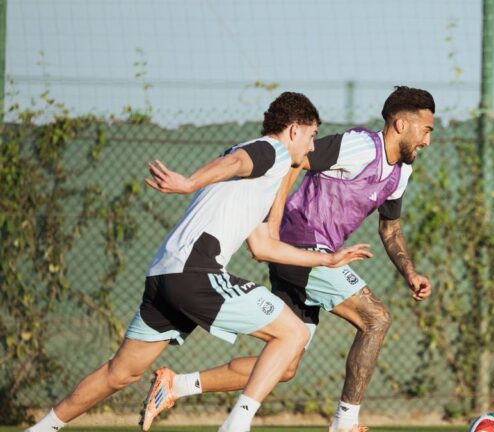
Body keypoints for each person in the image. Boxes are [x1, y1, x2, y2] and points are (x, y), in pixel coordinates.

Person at [25, 92, 373, 432]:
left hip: (164, 275)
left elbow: (264, 248)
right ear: (295, 129)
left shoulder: (259, 183)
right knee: (293, 334)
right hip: (196, 272)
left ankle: (43, 428)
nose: (313, 147)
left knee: (121, 373)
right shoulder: (275, 151)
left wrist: (327, 259)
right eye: (312, 136)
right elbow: (238, 160)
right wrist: (189, 182)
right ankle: (236, 424)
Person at [137, 86, 435, 432]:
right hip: (302, 244)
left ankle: (177, 385)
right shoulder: (360, 146)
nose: (427, 140)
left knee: (286, 364)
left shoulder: (401, 173)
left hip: (310, 255)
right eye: (426, 129)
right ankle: (345, 423)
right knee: (376, 318)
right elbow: (294, 160)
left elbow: (391, 229)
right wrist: (273, 224)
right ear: (400, 124)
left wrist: (410, 273)